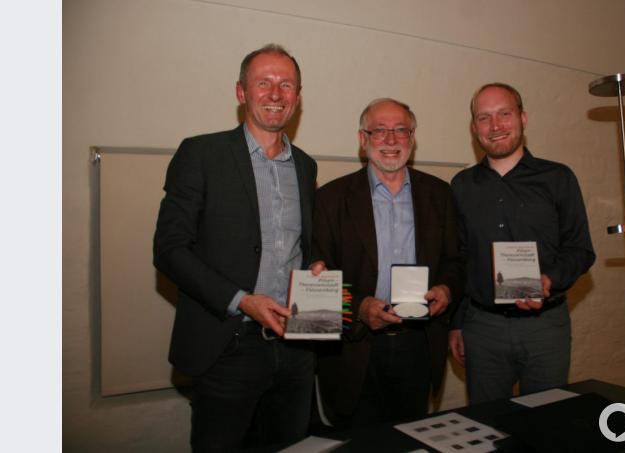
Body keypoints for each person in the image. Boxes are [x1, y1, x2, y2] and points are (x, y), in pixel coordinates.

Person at [153, 44, 317, 451]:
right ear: (241, 92)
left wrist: (316, 264)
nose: (276, 94)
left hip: (296, 344)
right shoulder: (201, 153)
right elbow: (170, 248)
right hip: (228, 344)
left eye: (286, 85)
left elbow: (299, 245)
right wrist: (242, 301)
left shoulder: (306, 165)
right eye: (264, 83)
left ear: (297, 96)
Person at [311, 98, 464, 428]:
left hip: (417, 346)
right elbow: (317, 277)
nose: (391, 140)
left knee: (411, 438)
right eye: (379, 131)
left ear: (413, 137)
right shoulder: (330, 199)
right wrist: (358, 308)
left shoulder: (439, 195)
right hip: (354, 350)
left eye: (400, 130)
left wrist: (446, 288)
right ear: (362, 139)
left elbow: (455, 260)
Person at [448, 83, 595, 404]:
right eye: (484, 118)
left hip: (545, 328)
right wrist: (456, 324)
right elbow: (459, 259)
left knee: (545, 426)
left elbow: (581, 250)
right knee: (486, 428)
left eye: (504, 114)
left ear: (523, 118)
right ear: (474, 128)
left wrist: (549, 279)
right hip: (482, 327)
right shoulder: (461, 186)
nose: (495, 125)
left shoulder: (558, 178)